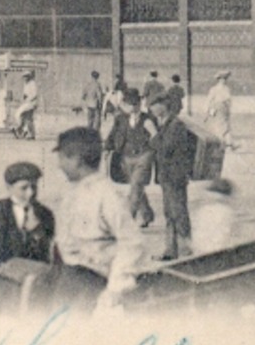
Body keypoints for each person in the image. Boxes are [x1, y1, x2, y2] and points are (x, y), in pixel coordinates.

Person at [51, 125, 143, 309]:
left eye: (61, 157)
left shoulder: (106, 195)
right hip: (68, 277)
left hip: (92, 282)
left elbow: (132, 242)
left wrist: (115, 289)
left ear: (76, 160)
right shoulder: (73, 191)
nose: (58, 165)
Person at [148, 95, 199, 261]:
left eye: (154, 105)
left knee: (178, 212)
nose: (151, 109)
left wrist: (153, 133)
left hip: (175, 176)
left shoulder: (176, 125)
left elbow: (165, 149)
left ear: (164, 105)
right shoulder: (165, 123)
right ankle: (171, 251)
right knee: (169, 213)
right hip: (166, 176)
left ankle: (185, 251)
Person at [105, 89, 156, 227]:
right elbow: (113, 134)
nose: (133, 107)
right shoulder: (120, 119)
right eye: (129, 104)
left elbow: (157, 138)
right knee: (136, 186)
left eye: (135, 103)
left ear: (140, 104)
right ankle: (147, 214)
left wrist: (153, 133)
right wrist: (107, 148)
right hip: (126, 157)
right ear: (124, 105)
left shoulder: (148, 119)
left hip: (144, 155)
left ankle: (126, 222)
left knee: (136, 185)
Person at [190, 177, 238, 255]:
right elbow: (228, 238)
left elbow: (196, 236)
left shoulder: (203, 210)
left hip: (200, 252)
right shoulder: (227, 211)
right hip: (218, 252)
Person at [204, 70, 236, 150]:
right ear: (219, 80)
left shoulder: (225, 89)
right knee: (221, 126)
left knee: (223, 126)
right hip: (217, 108)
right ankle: (226, 144)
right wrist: (207, 111)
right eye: (222, 79)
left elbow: (229, 101)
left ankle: (228, 144)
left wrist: (229, 109)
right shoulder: (215, 89)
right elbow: (209, 100)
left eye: (225, 79)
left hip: (223, 108)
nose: (224, 81)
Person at [15, 72, 39, 140]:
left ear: (29, 76)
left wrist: (28, 99)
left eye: (26, 76)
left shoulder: (32, 83)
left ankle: (31, 134)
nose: (25, 78)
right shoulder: (26, 84)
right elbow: (25, 94)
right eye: (24, 77)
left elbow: (34, 94)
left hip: (31, 103)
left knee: (28, 119)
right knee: (24, 118)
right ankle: (24, 131)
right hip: (27, 103)